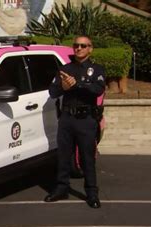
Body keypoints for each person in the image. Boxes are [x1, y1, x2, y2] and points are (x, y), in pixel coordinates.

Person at [45, 35, 106, 208]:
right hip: (67, 118)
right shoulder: (65, 69)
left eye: (83, 46)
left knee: (87, 158)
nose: (79, 48)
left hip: (86, 119)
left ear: (90, 48)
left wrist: (77, 84)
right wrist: (62, 87)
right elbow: (52, 92)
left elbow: (97, 89)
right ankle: (61, 189)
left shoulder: (97, 69)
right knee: (63, 156)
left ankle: (92, 193)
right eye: (76, 45)